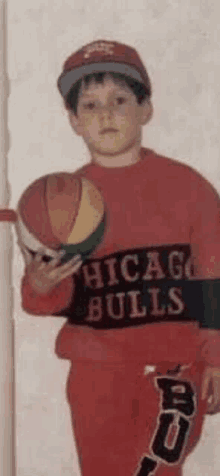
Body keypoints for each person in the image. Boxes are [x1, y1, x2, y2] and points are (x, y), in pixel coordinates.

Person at [18, 40, 220, 475]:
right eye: (89, 105)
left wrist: (217, 356)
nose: (105, 114)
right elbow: (48, 300)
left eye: (120, 100)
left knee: (158, 471)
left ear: (146, 109)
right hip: (96, 370)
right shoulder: (60, 201)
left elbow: (213, 278)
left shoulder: (189, 189)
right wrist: (39, 285)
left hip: (176, 367)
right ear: (73, 120)